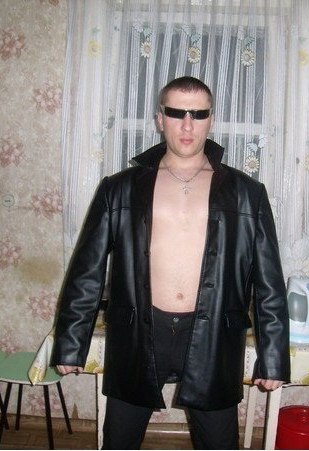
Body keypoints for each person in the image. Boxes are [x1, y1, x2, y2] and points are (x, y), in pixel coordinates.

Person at [50, 76, 290, 449]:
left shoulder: (247, 194)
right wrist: (70, 342)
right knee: (119, 440)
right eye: (177, 113)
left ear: (212, 119)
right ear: (160, 119)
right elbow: (87, 272)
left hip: (213, 334)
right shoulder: (120, 188)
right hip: (138, 332)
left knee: (220, 443)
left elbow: (269, 283)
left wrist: (273, 358)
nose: (188, 125)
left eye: (198, 114)